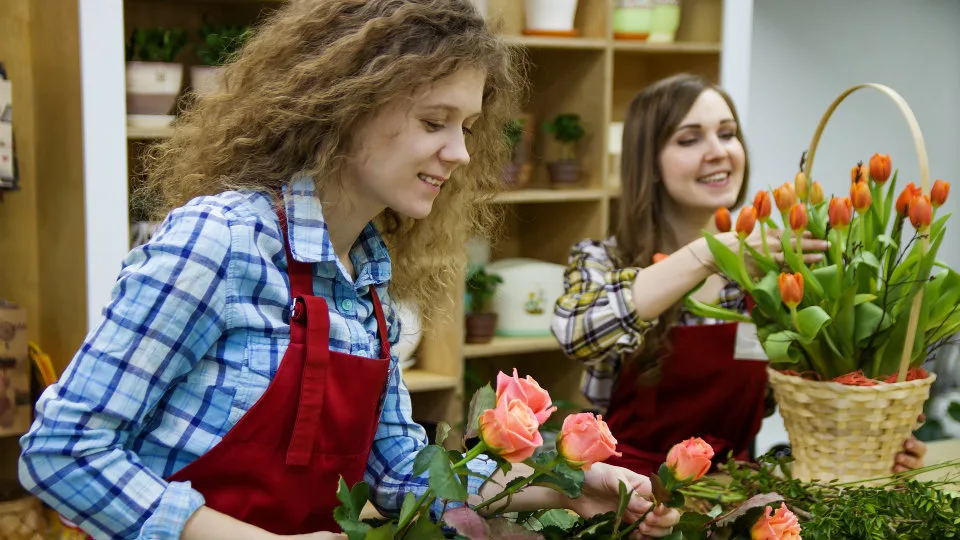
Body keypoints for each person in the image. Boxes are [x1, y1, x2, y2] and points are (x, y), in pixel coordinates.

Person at [18, 2, 680, 539]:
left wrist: (564, 482)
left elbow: (402, 477)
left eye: (468, 127)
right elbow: (62, 450)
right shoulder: (219, 241)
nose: (457, 153)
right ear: (349, 101)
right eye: (434, 121)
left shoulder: (367, 286)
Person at [551, 73, 928, 477]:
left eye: (727, 134)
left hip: (733, 498)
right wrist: (710, 255)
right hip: (624, 495)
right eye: (689, 139)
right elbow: (577, 332)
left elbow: (815, 399)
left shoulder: (777, 272)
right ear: (650, 163)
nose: (718, 152)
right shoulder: (602, 260)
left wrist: (874, 438)